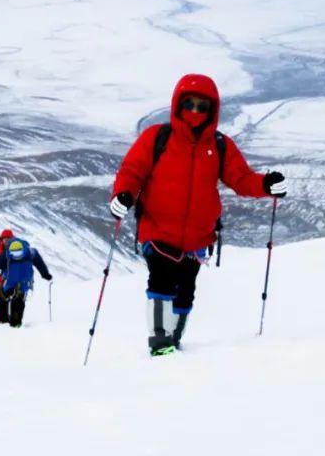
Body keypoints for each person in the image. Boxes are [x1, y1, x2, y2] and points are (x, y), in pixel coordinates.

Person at [110, 73, 286, 356]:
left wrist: (266, 184)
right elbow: (132, 171)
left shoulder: (219, 145)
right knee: (161, 280)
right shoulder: (156, 137)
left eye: (201, 106)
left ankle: (174, 340)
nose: (194, 111)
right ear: (178, 105)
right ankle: (159, 341)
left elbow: (240, 179)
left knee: (185, 291)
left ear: (212, 110)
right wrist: (122, 196)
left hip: (198, 238)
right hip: (157, 228)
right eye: (188, 104)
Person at [0, 230, 52, 327]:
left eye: (8, 239)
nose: (5, 241)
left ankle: (14, 322)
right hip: (4, 280)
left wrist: (45, 274)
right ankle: (1, 321)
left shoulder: (12, 252)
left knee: (16, 300)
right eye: (4, 239)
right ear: (1, 239)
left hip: (13, 281)